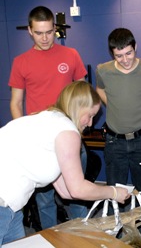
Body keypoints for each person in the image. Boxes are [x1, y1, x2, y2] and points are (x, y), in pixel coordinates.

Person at [0, 81, 130, 245]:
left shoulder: (48, 118)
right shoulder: (68, 132)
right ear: (78, 107)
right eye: (90, 116)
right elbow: (78, 189)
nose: (90, 123)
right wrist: (113, 192)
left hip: (11, 205)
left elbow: (66, 192)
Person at [8, 6, 88, 229]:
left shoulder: (71, 55)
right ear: (30, 32)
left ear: (55, 29)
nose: (44, 38)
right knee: (44, 202)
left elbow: (84, 96)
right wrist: (24, 135)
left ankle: (81, 237)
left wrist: (79, 128)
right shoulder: (20, 61)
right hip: (40, 142)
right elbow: (16, 103)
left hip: (69, 137)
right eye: (39, 33)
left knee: (76, 195)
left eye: (49, 32)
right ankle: (50, 240)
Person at [96, 27, 141, 201]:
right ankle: (118, 228)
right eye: (119, 55)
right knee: (115, 196)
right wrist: (112, 104)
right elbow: (100, 89)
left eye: (129, 53)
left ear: (135, 47)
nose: (125, 60)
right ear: (112, 54)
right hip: (114, 142)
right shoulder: (103, 70)